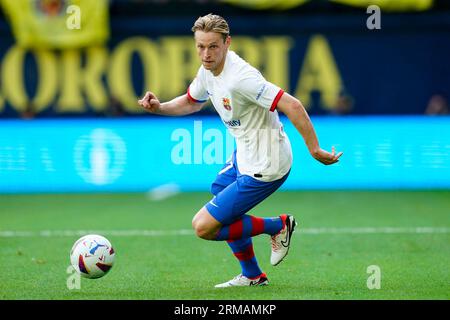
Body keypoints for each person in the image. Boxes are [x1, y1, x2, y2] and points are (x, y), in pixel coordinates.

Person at [138, 14, 343, 287]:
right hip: (244, 154)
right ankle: (253, 275)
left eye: (213, 46)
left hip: (267, 164)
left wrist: (314, 149)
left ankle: (278, 225)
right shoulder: (207, 72)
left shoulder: (241, 78)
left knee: (204, 227)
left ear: (227, 43)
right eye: (200, 46)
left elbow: (292, 105)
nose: (206, 54)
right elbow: (191, 102)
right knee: (218, 192)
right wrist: (159, 107)